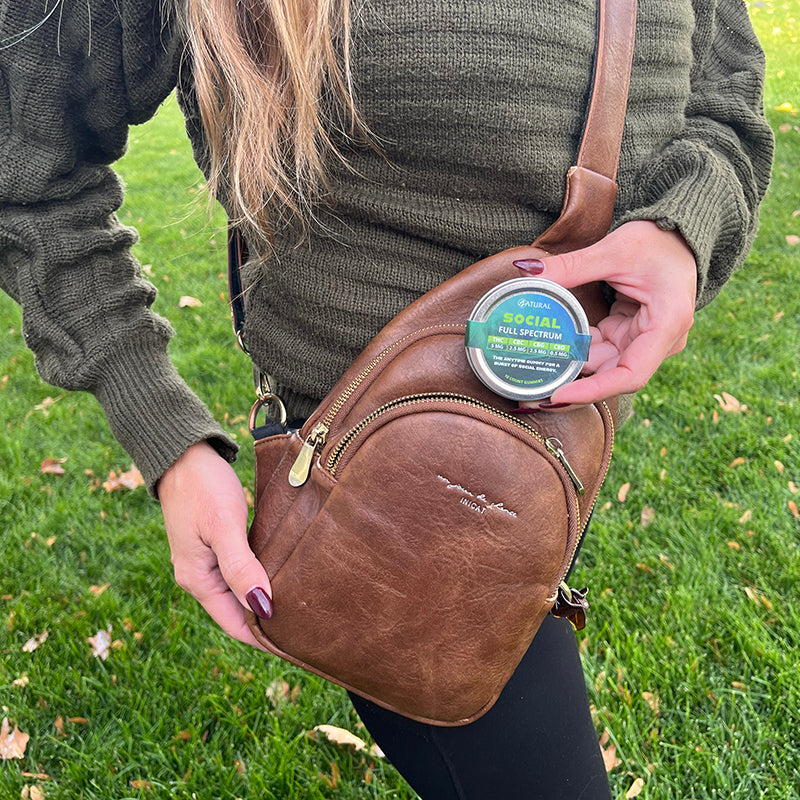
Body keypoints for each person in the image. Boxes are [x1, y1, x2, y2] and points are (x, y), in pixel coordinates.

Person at [0, 0, 773, 797]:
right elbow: (24, 166)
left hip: (562, 454)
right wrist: (168, 440)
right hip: (374, 500)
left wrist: (686, 230)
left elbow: (727, 100)